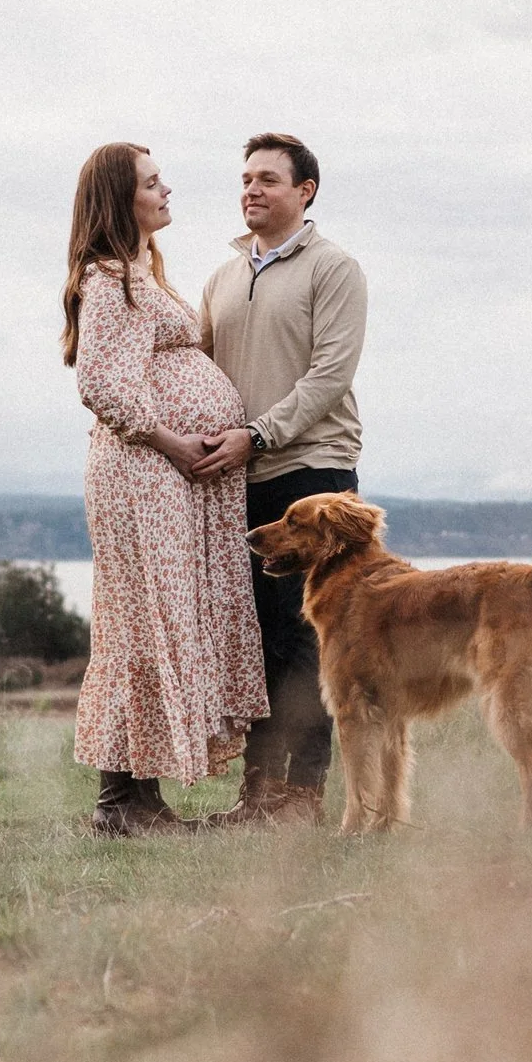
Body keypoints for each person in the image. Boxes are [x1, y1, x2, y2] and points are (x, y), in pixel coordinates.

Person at [63, 141, 268, 838]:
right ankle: (120, 803)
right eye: (152, 183)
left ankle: (139, 799)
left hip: (163, 481)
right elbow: (98, 380)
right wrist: (172, 440)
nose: (166, 190)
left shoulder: (141, 272)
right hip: (143, 476)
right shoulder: (108, 278)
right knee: (142, 625)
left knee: (154, 623)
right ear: (123, 199)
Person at [185, 131, 368, 822]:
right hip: (238, 476)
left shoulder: (335, 268)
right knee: (253, 636)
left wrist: (258, 433)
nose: (251, 190)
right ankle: (256, 793)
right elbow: (198, 369)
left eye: (267, 179)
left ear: (305, 191)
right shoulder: (223, 277)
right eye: (245, 179)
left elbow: (330, 376)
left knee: (306, 634)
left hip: (313, 472)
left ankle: (303, 794)